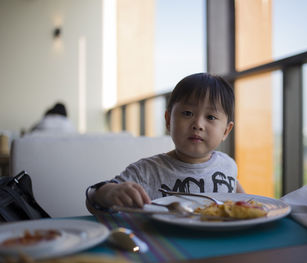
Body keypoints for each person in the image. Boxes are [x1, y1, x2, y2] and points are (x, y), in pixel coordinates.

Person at [86, 73, 245, 214]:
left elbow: (244, 202)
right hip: (164, 242)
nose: (198, 124)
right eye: (188, 113)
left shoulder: (228, 165)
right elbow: (93, 203)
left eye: (210, 117)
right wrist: (106, 194)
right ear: (169, 121)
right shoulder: (147, 172)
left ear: (226, 131)